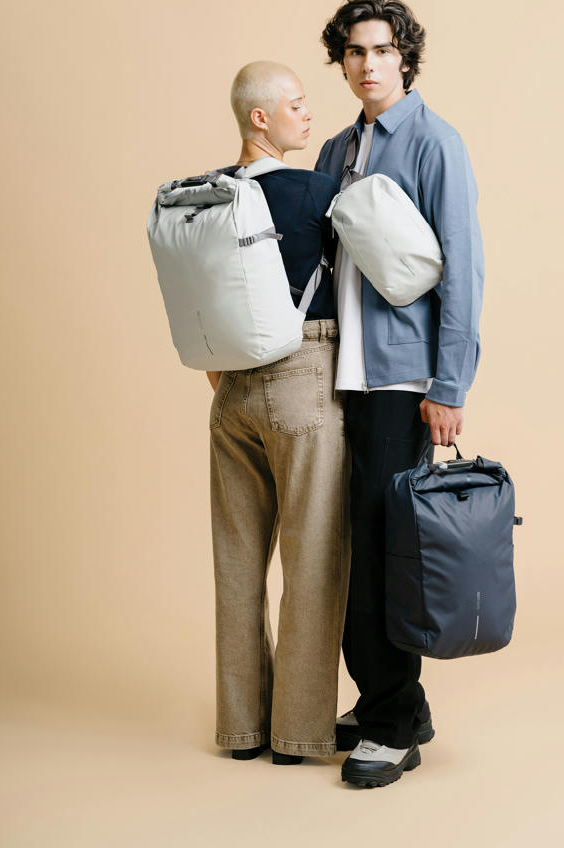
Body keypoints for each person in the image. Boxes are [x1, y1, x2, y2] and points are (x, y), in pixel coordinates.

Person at [315, 0, 485, 787]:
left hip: (402, 377)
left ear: (404, 57)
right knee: (350, 546)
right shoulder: (337, 148)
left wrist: (449, 383)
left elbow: (463, 268)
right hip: (337, 374)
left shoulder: (434, 141)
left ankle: (393, 725)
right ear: (342, 62)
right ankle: (387, 702)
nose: (368, 64)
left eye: (382, 49)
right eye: (354, 51)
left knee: (387, 547)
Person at [205, 61, 348, 765]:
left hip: (229, 391)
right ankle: (295, 734)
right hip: (303, 381)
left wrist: (223, 374)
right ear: (259, 118)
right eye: (294, 104)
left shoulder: (203, 196)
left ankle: (242, 731)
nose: (307, 114)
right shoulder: (317, 191)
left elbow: (197, 297)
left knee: (237, 564)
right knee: (313, 558)